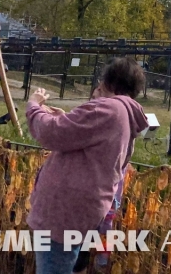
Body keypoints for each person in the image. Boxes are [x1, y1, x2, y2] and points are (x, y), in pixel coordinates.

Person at [26, 57, 149, 274]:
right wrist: (67, 120)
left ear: (108, 81)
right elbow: (89, 145)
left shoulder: (108, 109)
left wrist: (34, 106)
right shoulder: (123, 113)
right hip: (81, 211)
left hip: (63, 215)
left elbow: (51, 132)